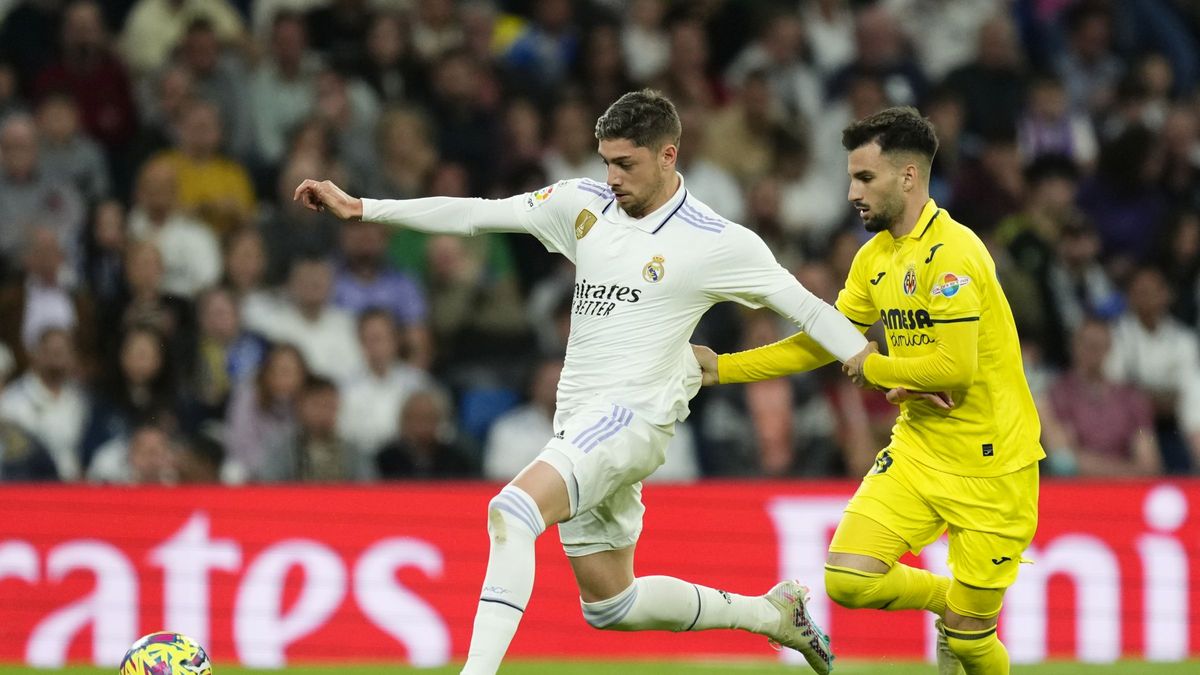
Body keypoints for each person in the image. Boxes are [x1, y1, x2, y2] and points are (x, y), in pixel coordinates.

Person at [294, 89, 866, 675]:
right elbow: (476, 213)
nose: (611, 176)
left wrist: (873, 366)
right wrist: (365, 208)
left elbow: (814, 312)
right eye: (606, 161)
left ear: (668, 155)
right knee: (612, 605)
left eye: (626, 163)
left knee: (512, 511)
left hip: (632, 419)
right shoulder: (581, 205)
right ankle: (773, 616)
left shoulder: (717, 241)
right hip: (581, 421)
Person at [694, 107, 1043, 675]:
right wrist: (725, 368)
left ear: (908, 177)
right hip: (919, 451)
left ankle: (963, 622)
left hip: (993, 466)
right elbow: (826, 342)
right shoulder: (874, 257)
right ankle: (947, 602)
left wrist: (874, 366)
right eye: (851, 177)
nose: (852, 192)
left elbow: (953, 369)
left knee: (974, 644)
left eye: (865, 178)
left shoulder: (954, 254)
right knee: (849, 578)